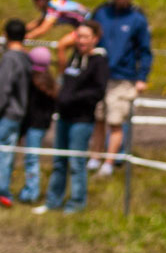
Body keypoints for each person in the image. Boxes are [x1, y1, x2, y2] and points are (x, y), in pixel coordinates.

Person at [34, 20, 107, 215]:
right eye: (78, 36)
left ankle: (76, 203)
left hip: (81, 120)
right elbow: (65, 77)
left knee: (76, 163)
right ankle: (53, 201)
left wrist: (72, 98)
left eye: (85, 37)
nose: (81, 40)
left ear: (95, 39)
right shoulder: (74, 56)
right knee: (59, 161)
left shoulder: (99, 62)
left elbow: (98, 91)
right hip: (64, 117)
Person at [86, 0, 153, 178]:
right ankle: (94, 158)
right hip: (98, 75)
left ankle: (109, 162)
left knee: (115, 121)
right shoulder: (101, 13)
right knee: (98, 118)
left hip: (123, 77)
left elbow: (145, 50)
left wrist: (142, 77)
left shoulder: (138, 19)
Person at [15, 46, 57, 204]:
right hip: (41, 126)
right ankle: (30, 190)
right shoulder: (49, 82)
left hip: (33, 126)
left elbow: (27, 109)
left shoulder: (33, 83)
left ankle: (31, 192)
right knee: (32, 159)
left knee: (31, 159)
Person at [0, 20, 32, 208]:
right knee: (6, 155)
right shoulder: (26, 58)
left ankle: (3, 192)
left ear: (6, 35)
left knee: (3, 154)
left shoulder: (10, 58)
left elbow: (3, 88)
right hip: (18, 114)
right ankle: (4, 193)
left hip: (6, 114)